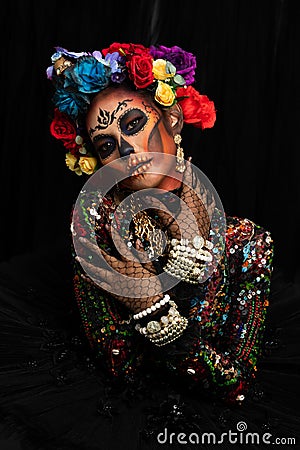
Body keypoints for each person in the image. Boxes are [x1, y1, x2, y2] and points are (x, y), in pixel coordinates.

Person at [0, 42, 298, 450]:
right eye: (106, 145)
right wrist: (147, 295)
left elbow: (235, 384)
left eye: (134, 123)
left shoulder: (246, 243)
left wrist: (155, 300)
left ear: (172, 119)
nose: (124, 149)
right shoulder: (95, 218)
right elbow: (119, 364)